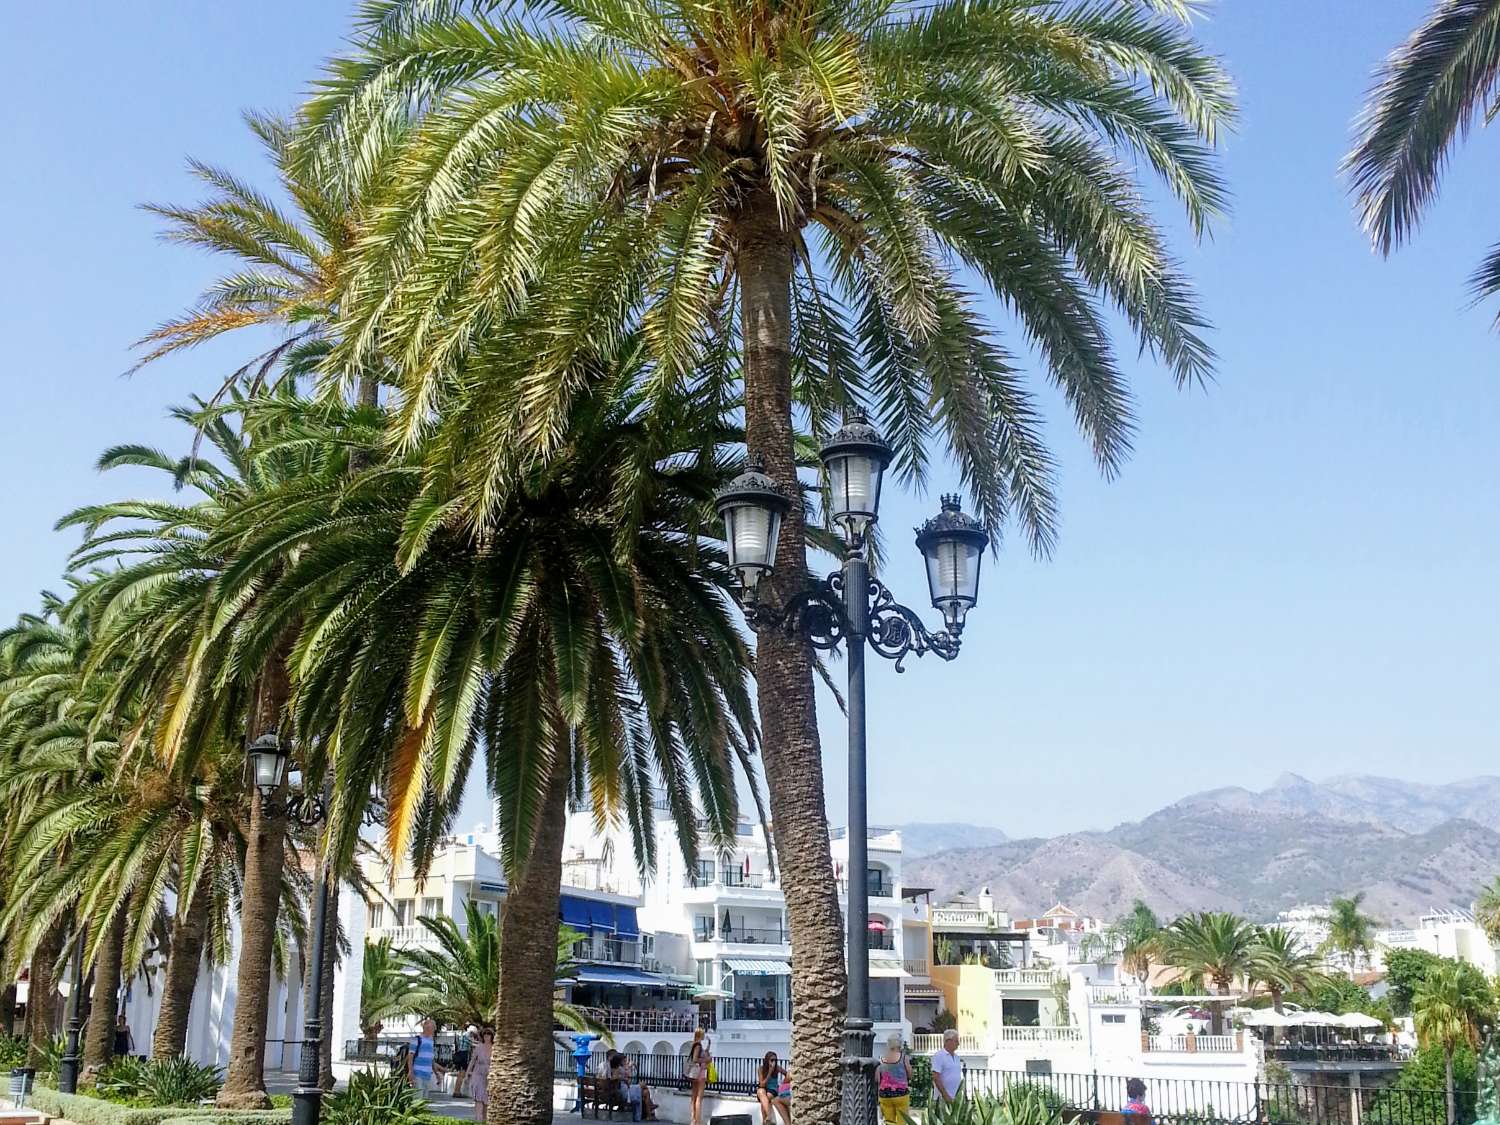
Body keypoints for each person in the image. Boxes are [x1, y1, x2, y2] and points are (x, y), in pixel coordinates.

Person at [406, 1018, 446, 1096]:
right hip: (417, 1073)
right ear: (426, 1028)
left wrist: (436, 1073)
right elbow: (410, 1056)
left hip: (427, 1074)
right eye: (433, 1028)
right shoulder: (417, 1039)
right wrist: (410, 1071)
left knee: (424, 1099)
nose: (434, 1030)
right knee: (418, 1098)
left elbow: (431, 1059)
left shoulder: (431, 1041)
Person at [877, 1034, 911, 1123]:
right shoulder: (904, 1058)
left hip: (884, 1094)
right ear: (900, 1045)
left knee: (889, 1121)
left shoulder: (881, 1058)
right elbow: (910, 1074)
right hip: (901, 1094)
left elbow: (877, 1078)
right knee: (902, 1121)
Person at [931, 1029, 964, 1105]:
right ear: (948, 1041)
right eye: (956, 1041)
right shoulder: (939, 1056)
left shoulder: (957, 1057)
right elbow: (936, 1077)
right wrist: (945, 1095)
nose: (958, 1044)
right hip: (943, 1099)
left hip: (956, 1098)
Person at [757, 1051, 791, 1125]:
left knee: (767, 1097)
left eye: (775, 1060)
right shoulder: (761, 1069)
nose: (774, 1062)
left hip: (773, 1090)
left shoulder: (777, 1068)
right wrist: (769, 1072)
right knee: (760, 1092)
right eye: (772, 1060)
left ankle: (765, 1120)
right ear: (767, 1060)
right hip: (764, 1088)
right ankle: (769, 1117)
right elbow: (762, 1084)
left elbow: (787, 1075)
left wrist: (783, 1084)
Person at [467, 1028, 493, 1121]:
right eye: (485, 1034)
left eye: (489, 1034)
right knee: (478, 1098)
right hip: (478, 1074)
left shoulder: (495, 1047)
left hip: (489, 1076)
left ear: (492, 1036)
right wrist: (467, 1074)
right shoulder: (479, 1047)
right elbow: (472, 1061)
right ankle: (478, 1119)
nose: (487, 1035)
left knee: (486, 1101)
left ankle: (484, 1121)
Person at [687, 1027, 712, 1125]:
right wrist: (707, 1060)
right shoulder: (698, 1045)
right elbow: (695, 1059)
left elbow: (702, 1054)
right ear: (700, 1034)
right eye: (703, 1033)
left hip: (695, 1073)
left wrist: (709, 1045)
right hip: (700, 1073)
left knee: (694, 1096)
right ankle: (698, 1121)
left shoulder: (695, 1044)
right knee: (699, 1097)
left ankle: (693, 1119)